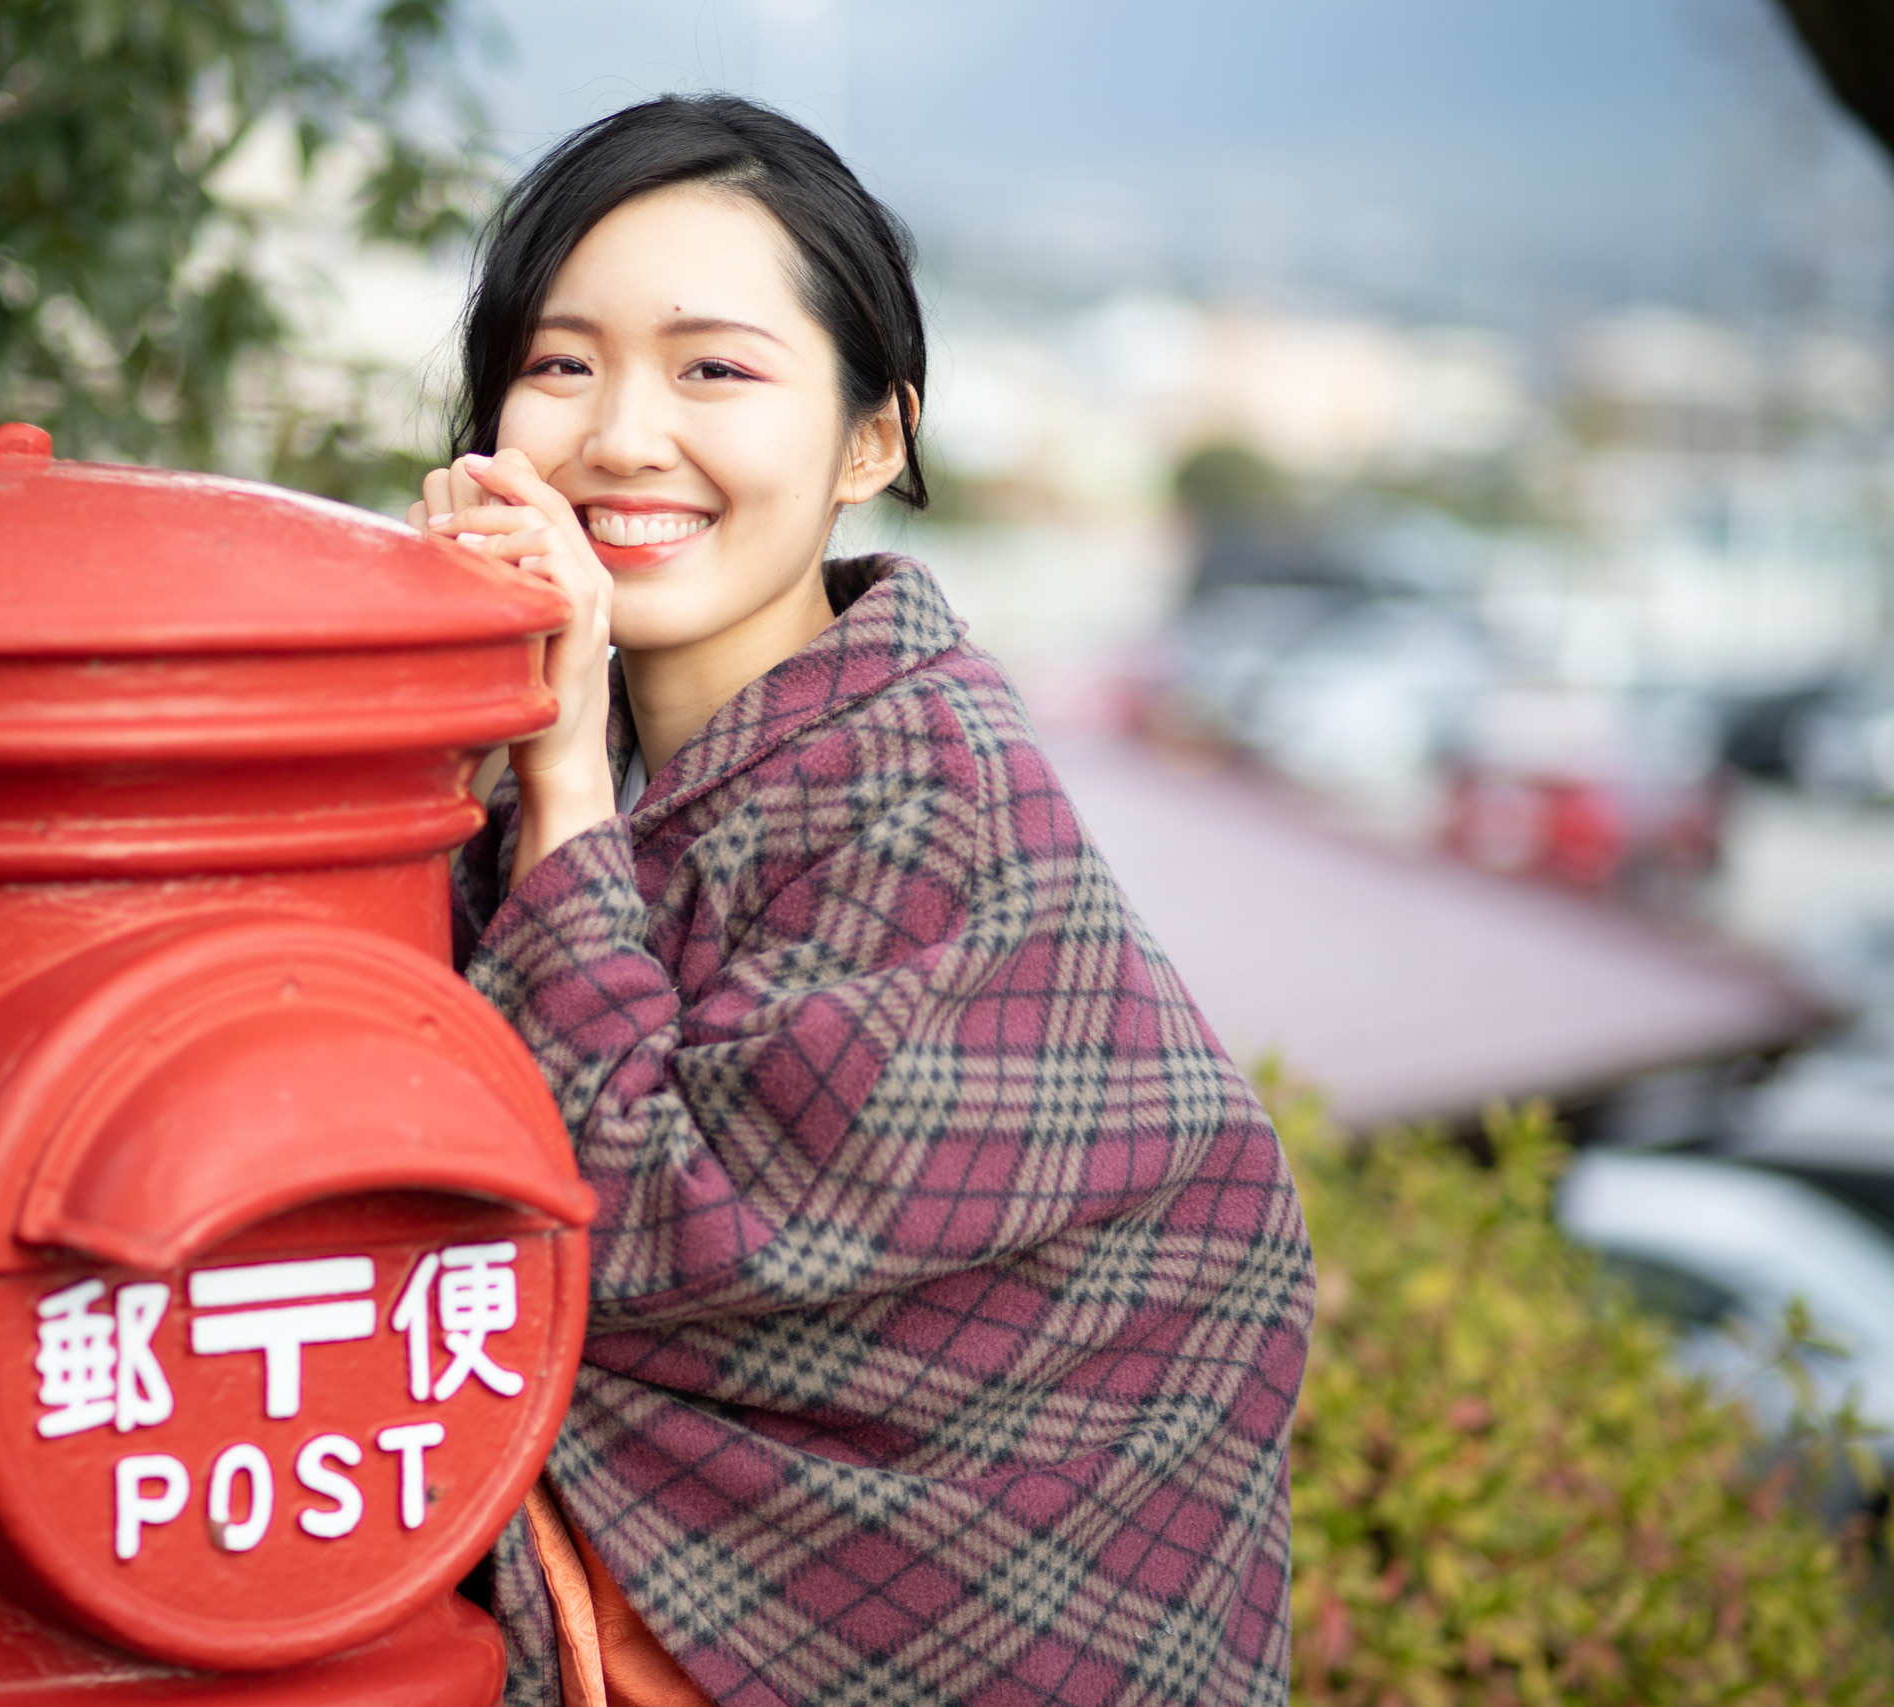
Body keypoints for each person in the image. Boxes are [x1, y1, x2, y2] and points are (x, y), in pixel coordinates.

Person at [417, 94, 1313, 1707]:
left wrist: (555, 781)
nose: (621, 434)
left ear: (872, 438)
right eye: (561, 363)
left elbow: (635, 1238)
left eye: (714, 368)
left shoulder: (925, 792)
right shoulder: (532, 743)